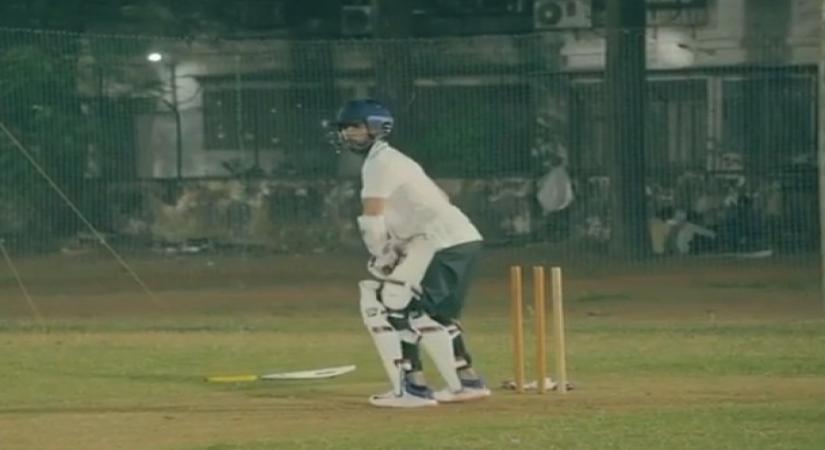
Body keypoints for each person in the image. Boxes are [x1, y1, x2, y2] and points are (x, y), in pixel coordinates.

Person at [332, 98, 490, 408]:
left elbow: (372, 217)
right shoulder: (394, 159)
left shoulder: (380, 164)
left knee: (396, 306)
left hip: (442, 242)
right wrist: (401, 247)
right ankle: (466, 382)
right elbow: (439, 197)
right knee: (433, 314)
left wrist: (382, 254)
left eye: (354, 127)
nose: (348, 134)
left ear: (376, 128)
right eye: (346, 128)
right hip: (452, 239)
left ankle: (413, 389)